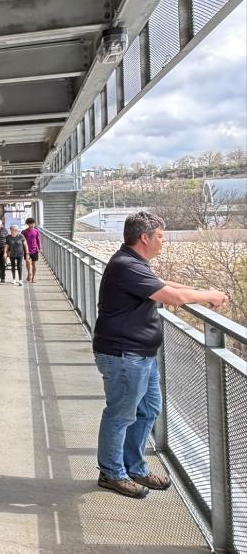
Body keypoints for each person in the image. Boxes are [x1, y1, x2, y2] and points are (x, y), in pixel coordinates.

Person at [94, 211, 228, 499]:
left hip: (140, 354)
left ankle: (134, 467)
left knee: (148, 410)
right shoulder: (126, 265)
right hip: (124, 354)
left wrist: (202, 291)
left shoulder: (134, 263)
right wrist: (209, 296)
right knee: (121, 414)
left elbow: (164, 285)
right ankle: (111, 473)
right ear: (144, 238)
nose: (163, 241)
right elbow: (173, 297)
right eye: (160, 236)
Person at [22, 218, 41, 283]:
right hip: (27, 250)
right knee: (28, 262)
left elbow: (38, 240)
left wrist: (40, 248)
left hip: (34, 250)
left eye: (33, 224)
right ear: (28, 224)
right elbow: (22, 241)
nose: (32, 225)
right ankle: (29, 272)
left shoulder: (36, 231)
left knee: (34, 264)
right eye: (30, 224)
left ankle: (33, 278)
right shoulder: (24, 232)